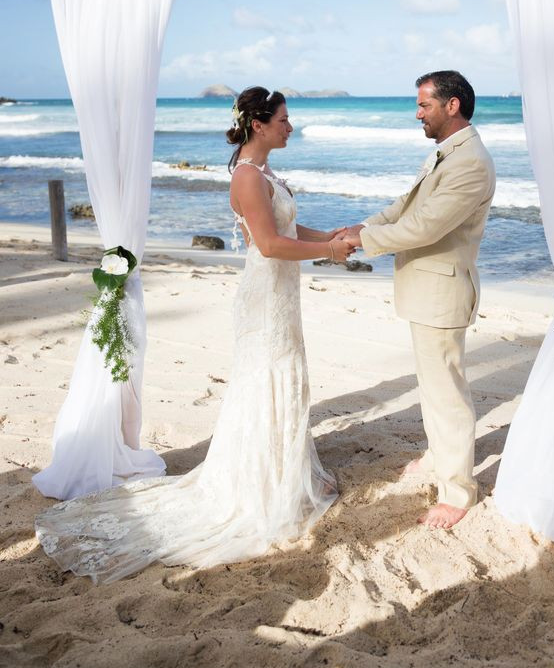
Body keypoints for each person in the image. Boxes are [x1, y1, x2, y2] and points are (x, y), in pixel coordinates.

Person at [35, 88, 353, 583]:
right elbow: (268, 245)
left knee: (283, 372)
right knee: (266, 378)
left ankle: (288, 468)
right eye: (285, 119)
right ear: (259, 125)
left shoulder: (264, 174)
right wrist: (328, 255)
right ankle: (261, 484)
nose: (292, 126)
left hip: (279, 295)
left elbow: (287, 226)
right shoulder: (248, 178)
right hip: (266, 294)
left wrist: (328, 236)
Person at [341, 71, 495, 530]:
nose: (417, 112)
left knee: (447, 393)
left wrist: (363, 240)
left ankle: (457, 492)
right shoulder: (447, 154)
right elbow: (404, 207)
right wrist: (358, 227)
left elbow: (425, 227)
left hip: (442, 291)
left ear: (452, 106)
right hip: (426, 289)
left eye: (424, 104)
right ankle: (438, 456)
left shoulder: (470, 162)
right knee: (433, 384)